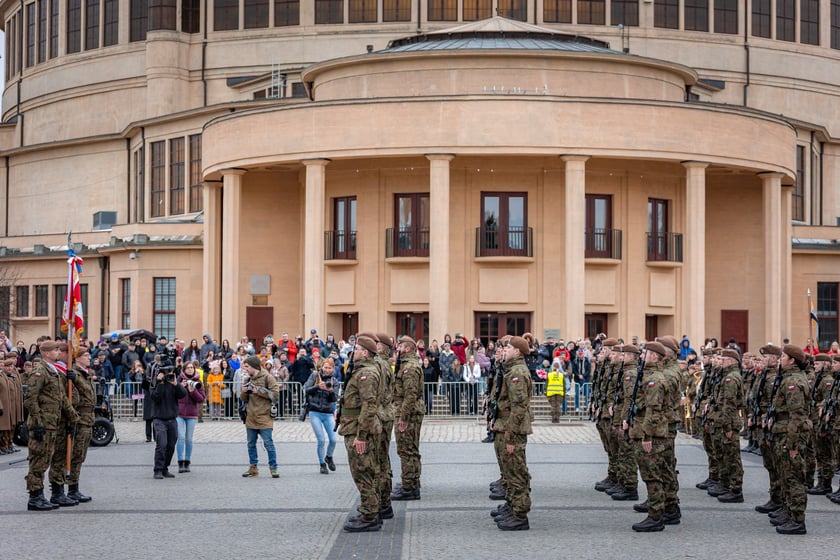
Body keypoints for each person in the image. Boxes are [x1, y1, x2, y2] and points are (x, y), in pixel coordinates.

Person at [623, 341, 674, 532]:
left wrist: (647, 436)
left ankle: (655, 516)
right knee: (654, 473)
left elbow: (654, 411)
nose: (642, 356)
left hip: (651, 434)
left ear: (654, 356)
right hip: (646, 431)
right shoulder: (648, 376)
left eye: (645, 354)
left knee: (652, 475)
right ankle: (661, 512)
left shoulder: (655, 380)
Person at [24, 340, 81, 511]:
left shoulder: (53, 372)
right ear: (47, 353)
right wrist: (37, 422)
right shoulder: (40, 372)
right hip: (42, 424)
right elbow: (30, 399)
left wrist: (74, 418)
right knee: (38, 461)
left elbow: (62, 399)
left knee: (49, 458)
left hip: (53, 423)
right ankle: (35, 497)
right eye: (56, 350)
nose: (59, 353)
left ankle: (52, 494)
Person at [337, 335, 382, 532]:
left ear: (365, 352)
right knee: (366, 470)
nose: (353, 352)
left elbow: (369, 405)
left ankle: (370, 515)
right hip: (354, 426)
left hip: (359, 429)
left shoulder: (367, 373)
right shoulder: (362, 370)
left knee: (362, 471)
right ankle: (371, 509)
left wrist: (361, 436)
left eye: (356, 349)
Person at [767, 344, 812, 534]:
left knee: (794, 477)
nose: (780, 360)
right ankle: (788, 511)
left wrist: (792, 444)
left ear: (792, 360)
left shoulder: (794, 381)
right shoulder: (787, 378)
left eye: (783, 357)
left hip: (791, 435)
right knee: (785, 475)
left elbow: (797, 416)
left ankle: (797, 520)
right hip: (783, 432)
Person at [490, 335, 533, 531]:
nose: (503, 350)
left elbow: (519, 407)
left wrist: (511, 434)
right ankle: (512, 505)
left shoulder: (517, 373)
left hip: (512, 428)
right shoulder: (511, 370)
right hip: (505, 425)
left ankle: (520, 514)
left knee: (516, 472)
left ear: (517, 351)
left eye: (507, 348)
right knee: (509, 470)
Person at [391, 336, 425, 500]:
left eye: (400, 347)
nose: (397, 349)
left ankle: (409, 487)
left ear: (407, 348)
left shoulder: (409, 367)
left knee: (407, 450)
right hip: (407, 412)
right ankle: (411, 483)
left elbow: (410, 395)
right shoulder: (406, 365)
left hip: (408, 414)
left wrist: (403, 418)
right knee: (410, 449)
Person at [240, 356, 280, 478]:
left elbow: (275, 395)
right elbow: (243, 398)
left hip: (265, 416)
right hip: (251, 416)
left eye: (247, 367)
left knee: (268, 444)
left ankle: (273, 467)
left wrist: (258, 392)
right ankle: (253, 468)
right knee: (251, 444)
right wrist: (244, 391)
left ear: (254, 366)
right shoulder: (247, 379)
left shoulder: (268, 378)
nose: (245, 369)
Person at [65, 346, 96, 503]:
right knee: (76, 455)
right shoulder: (75, 374)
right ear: (77, 357)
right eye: (86, 355)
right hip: (80, 418)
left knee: (81, 455)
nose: (89, 358)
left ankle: (74, 487)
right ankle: (71, 488)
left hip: (88, 419)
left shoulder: (85, 374)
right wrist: (75, 379)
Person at [151, 364, 187, 479]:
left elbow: (183, 394)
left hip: (172, 419)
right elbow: (155, 397)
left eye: (170, 372)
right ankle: (158, 469)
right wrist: (160, 383)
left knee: (171, 446)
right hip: (159, 419)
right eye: (167, 373)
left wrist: (176, 384)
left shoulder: (173, 383)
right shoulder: (156, 382)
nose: (169, 375)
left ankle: (164, 468)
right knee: (162, 444)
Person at [304, 358, 338, 474]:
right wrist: (318, 386)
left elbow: (334, 399)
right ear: (321, 367)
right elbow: (307, 390)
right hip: (315, 412)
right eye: (325, 367)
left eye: (329, 368)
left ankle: (329, 456)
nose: (327, 370)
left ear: (333, 369)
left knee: (333, 439)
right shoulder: (314, 376)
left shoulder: (334, 381)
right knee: (321, 440)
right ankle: (322, 464)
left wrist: (330, 390)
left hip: (328, 413)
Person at [176, 362, 206, 473]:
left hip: (191, 413)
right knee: (181, 437)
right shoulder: (178, 380)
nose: (190, 369)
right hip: (179, 413)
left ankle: (187, 462)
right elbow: (173, 395)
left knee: (189, 439)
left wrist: (193, 392)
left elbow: (201, 399)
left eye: (192, 367)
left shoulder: (198, 382)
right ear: (184, 369)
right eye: (188, 368)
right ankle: (180, 462)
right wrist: (180, 387)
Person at [545, 358, 565, 423]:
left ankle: (553, 418)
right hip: (559, 392)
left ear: (552, 367)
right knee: (558, 406)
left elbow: (546, 384)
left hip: (551, 392)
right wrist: (564, 393)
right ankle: (557, 419)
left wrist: (546, 392)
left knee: (553, 406)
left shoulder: (549, 374)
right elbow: (564, 385)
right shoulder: (561, 375)